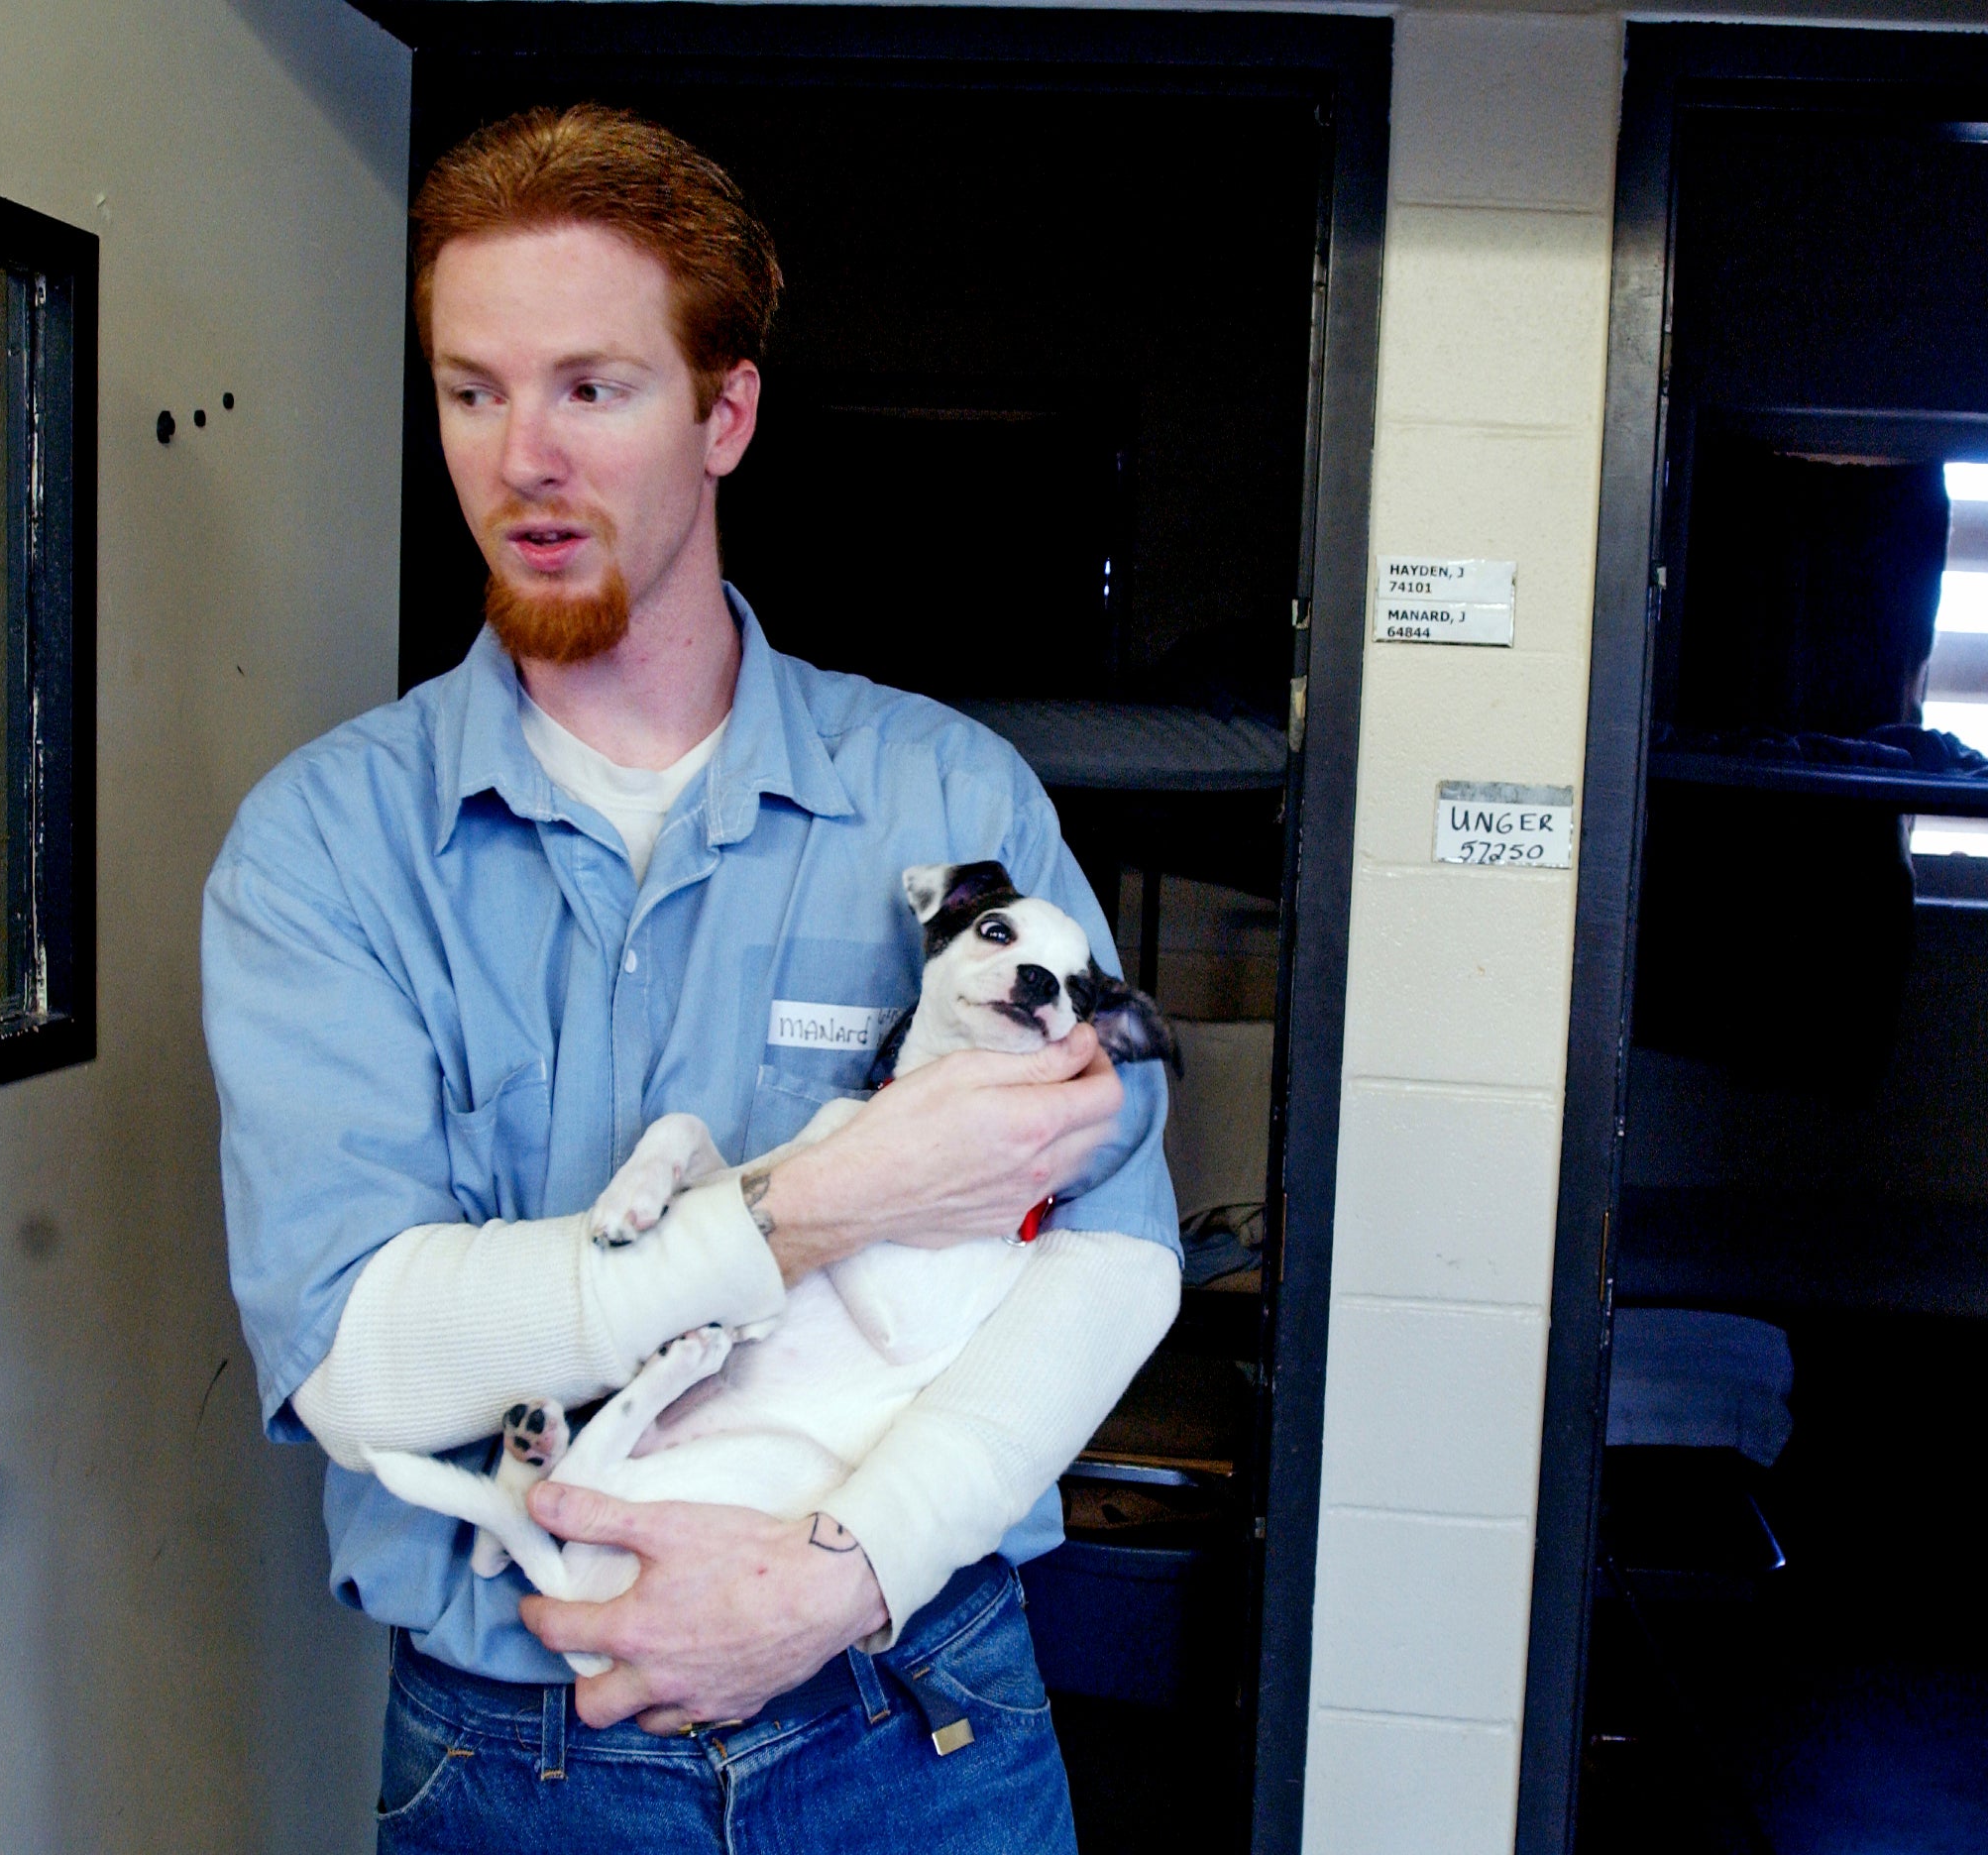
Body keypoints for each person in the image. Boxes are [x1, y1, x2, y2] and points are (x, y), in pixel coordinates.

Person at [200, 104, 1181, 1852]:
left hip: (914, 1713)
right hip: (518, 1757)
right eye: (472, 389)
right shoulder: (327, 847)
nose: (523, 459)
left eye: (595, 387)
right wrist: (813, 1206)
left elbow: (1110, 1271)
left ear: (724, 412)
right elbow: (360, 1363)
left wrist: (840, 1574)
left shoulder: (949, 799)